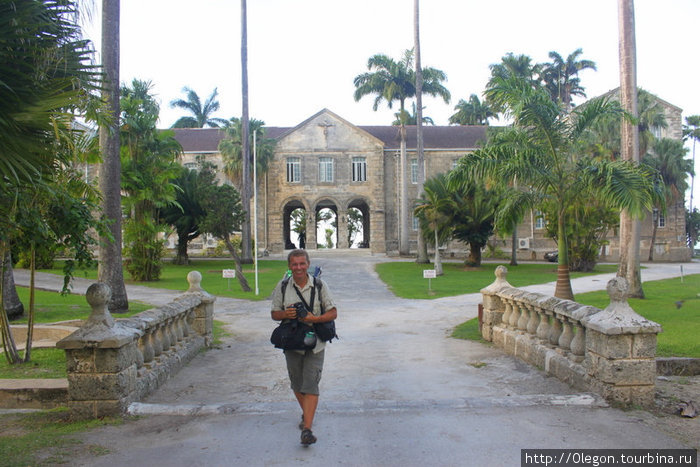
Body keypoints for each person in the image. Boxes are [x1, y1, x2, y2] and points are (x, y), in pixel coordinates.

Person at [271, 249, 337, 446]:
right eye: (294, 264)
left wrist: (313, 318)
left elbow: (333, 312)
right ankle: (307, 414)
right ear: (289, 267)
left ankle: (307, 429)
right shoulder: (283, 286)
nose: (298, 268)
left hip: (315, 342)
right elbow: (274, 313)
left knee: (311, 384)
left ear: (308, 264)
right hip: (292, 342)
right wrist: (286, 315)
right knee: (297, 384)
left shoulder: (319, 285)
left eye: (302, 264)